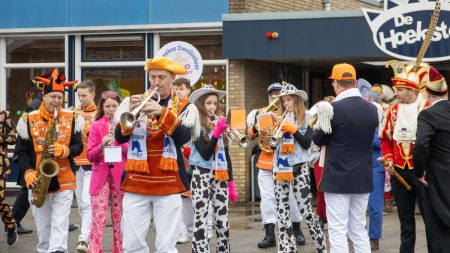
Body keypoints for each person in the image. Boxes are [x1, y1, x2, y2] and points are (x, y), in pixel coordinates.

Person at [115, 56, 199, 253]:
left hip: (168, 184)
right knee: (132, 245)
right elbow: (120, 138)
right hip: (137, 182)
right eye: (153, 77)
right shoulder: (133, 102)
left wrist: (162, 112)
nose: (156, 82)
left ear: (172, 79)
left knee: (166, 246)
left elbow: (183, 137)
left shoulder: (185, 107)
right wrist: (131, 111)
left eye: (161, 77)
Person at [15, 68, 83, 253]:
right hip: (37, 180)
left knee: (60, 223)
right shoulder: (28, 119)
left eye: (60, 97)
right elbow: (21, 152)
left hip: (65, 178)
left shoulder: (72, 118)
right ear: (44, 96)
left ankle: (58, 250)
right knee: (43, 228)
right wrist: (28, 172)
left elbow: (79, 147)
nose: (56, 101)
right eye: (53, 96)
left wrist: (66, 150)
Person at [312, 63, 378, 253]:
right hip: (363, 177)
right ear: (355, 82)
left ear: (335, 83)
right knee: (358, 229)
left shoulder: (332, 109)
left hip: (338, 178)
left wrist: (318, 121)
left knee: (338, 230)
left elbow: (317, 140)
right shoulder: (372, 109)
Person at [246, 83, 306, 248]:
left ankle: (297, 229)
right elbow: (250, 135)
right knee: (267, 200)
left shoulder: (294, 114)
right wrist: (258, 126)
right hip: (266, 161)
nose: (275, 97)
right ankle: (269, 234)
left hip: (287, 163)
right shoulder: (262, 113)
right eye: (272, 94)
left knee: (292, 198)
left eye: (278, 94)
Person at [380, 61, 430, 253]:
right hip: (399, 173)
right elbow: (385, 139)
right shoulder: (392, 111)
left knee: (429, 219)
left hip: (423, 175)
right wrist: (389, 158)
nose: (396, 94)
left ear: (411, 90)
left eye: (399, 90)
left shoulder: (426, 109)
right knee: (405, 221)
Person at [270, 83, 325, 253]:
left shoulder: (308, 117)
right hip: (280, 169)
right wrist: (272, 130)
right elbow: (271, 146)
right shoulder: (280, 117)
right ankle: (286, 248)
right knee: (282, 211)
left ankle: (320, 245)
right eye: (284, 101)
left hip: (300, 168)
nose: (286, 104)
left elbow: (307, 143)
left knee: (306, 211)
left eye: (289, 100)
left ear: (297, 100)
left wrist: (293, 130)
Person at [188, 84, 237, 253]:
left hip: (220, 174)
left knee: (223, 221)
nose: (212, 107)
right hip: (201, 173)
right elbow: (205, 153)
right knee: (200, 220)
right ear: (201, 104)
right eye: (208, 103)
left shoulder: (218, 122)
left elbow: (226, 154)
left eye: (215, 103)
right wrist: (216, 134)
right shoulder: (194, 124)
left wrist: (231, 183)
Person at [413, 66, 450, 253]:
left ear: (427, 93)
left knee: (437, 231)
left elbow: (420, 146)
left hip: (437, 181)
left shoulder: (428, 114)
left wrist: (419, 172)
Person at [87, 90, 127, 253]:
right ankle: (94, 250)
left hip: (120, 176)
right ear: (102, 108)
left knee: (120, 220)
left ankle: (120, 250)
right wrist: (101, 146)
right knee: (98, 218)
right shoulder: (96, 125)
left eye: (114, 106)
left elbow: (131, 151)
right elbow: (90, 155)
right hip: (100, 177)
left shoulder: (126, 125)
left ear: (120, 107)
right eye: (107, 106)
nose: (111, 109)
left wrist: (118, 141)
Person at [73, 80, 97, 252]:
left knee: (87, 202)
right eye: (79, 95)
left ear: (93, 94)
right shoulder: (73, 113)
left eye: (84, 95)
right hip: (75, 163)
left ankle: (84, 237)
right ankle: (88, 232)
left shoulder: (99, 113)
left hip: (91, 163)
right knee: (81, 204)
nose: (80, 99)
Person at [172, 77, 194, 244]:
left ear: (188, 90)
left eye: (181, 88)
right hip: (172, 154)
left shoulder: (191, 108)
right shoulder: (169, 106)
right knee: (176, 195)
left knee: (188, 196)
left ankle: (191, 229)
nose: (178, 91)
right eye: (176, 88)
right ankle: (181, 231)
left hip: (189, 154)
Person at [364, 91, 385, 251]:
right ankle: (359, 234)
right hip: (361, 166)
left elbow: (381, 143)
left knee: (375, 205)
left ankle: (374, 237)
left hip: (376, 166)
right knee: (357, 204)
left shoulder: (383, 123)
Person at [0, 109, 18, 246]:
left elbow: (13, 138)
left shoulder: (4, 114)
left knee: (0, 198)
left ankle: (11, 226)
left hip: (1, 163)